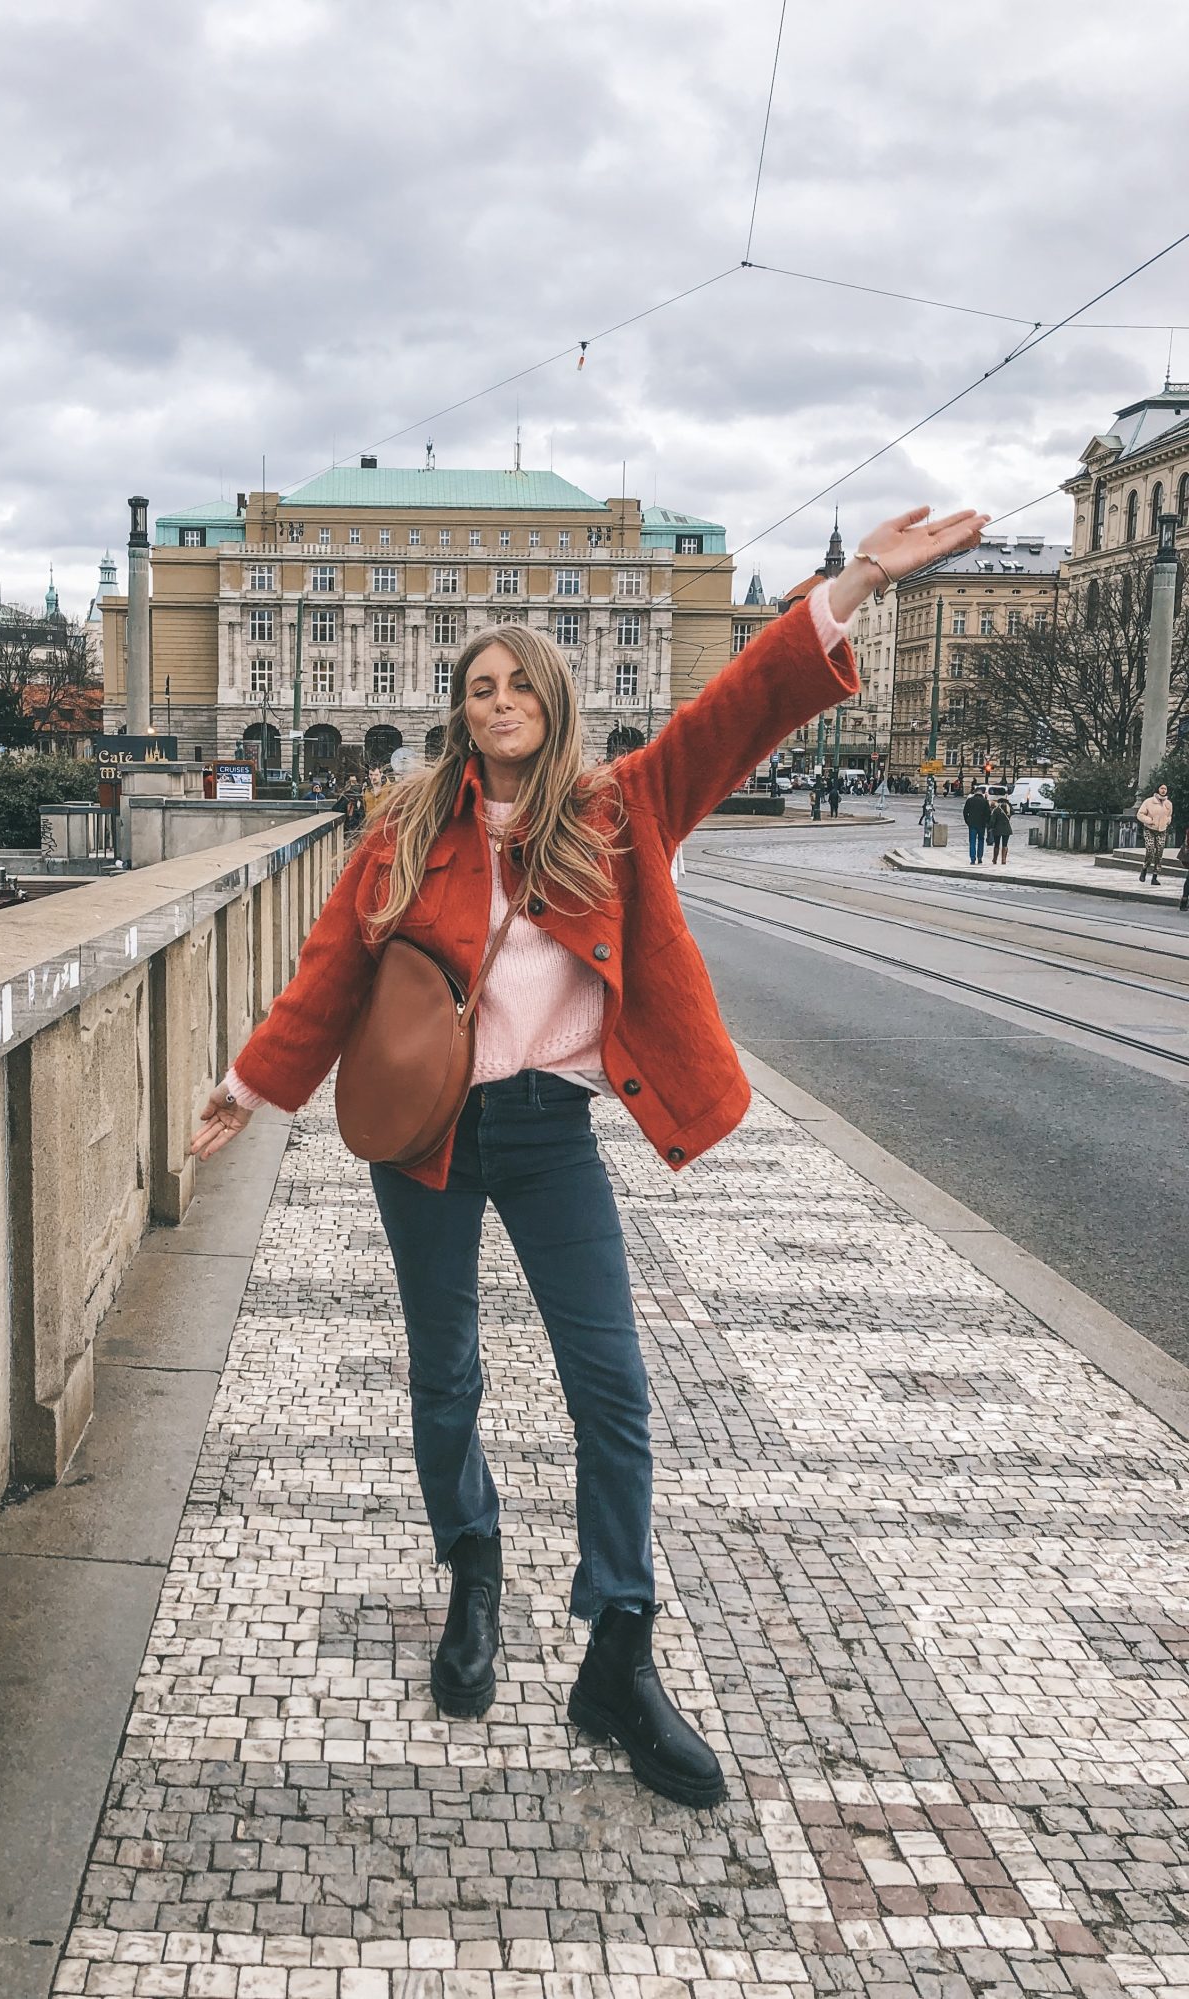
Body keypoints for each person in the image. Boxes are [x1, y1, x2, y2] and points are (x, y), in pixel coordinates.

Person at [189, 504, 989, 1809]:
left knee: (612, 1390)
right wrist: (249, 1079)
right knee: (446, 1371)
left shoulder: (619, 810)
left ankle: (620, 1646)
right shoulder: (405, 823)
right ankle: (475, 1568)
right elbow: (333, 970)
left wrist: (850, 586)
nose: (497, 700)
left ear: (553, 700)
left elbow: (739, 709)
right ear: (461, 710)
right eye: (477, 687)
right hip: (429, 1135)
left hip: (552, 1135)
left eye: (517, 683)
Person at [1136, 784, 1173, 885]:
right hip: (1150, 829)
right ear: (1157, 789)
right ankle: (1144, 868)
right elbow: (1140, 814)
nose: (1163, 790)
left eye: (1165, 789)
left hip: (1162, 830)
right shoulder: (1149, 801)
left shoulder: (1168, 803)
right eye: (1161, 788)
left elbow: (1169, 816)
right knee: (1150, 850)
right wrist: (1149, 820)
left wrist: (1167, 821)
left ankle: (1155, 876)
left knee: (1159, 853)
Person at [962, 783, 992, 864]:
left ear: (975, 793)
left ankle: (972, 859)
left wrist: (967, 821)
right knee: (981, 841)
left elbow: (965, 812)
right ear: (981, 793)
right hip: (981, 824)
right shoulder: (985, 801)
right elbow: (988, 813)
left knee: (972, 841)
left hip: (972, 824)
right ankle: (980, 857)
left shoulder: (970, 800)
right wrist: (986, 822)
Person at [988, 794, 1013, 865]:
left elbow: (992, 821)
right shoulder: (1008, 810)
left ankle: (995, 859)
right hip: (1007, 829)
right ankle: (1004, 859)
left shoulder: (996, 810)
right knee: (1005, 844)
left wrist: (990, 827)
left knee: (996, 844)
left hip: (997, 829)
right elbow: (1013, 811)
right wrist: (1008, 803)